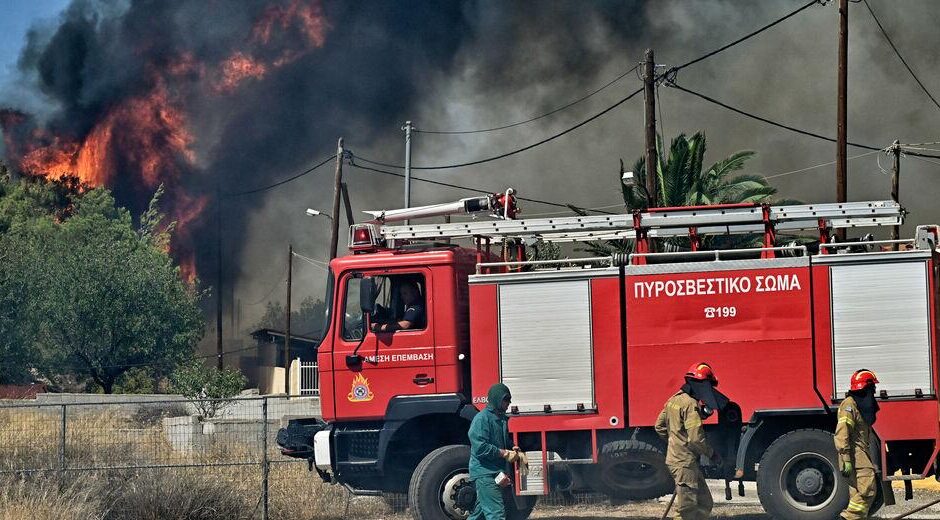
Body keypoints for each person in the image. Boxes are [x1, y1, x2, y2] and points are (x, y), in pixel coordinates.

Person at [655, 362, 727, 520]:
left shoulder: (673, 400)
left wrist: (675, 442)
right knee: (687, 509)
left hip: (681, 461)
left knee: (705, 502)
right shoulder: (690, 404)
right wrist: (713, 454)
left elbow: (659, 426)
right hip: (684, 463)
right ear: (702, 385)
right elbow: (696, 438)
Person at [468, 383, 524, 520]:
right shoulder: (482, 419)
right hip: (485, 473)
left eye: (509, 399)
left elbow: (501, 441)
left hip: (494, 472)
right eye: (506, 399)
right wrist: (503, 453)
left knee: (479, 513)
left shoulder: (500, 419)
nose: (509, 403)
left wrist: (512, 448)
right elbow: (480, 447)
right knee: (496, 514)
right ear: (497, 399)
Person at [836, 369, 880, 520]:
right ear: (864, 388)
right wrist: (846, 458)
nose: (873, 392)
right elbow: (842, 432)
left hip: (858, 453)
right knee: (868, 489)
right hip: (855, 454)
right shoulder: (849, 405)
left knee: (856, 493)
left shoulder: (858, 406)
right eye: (872, 388)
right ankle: (848, 518)